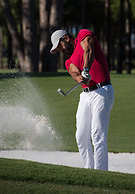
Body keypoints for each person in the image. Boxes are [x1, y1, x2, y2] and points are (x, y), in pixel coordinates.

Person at [50, 29, 114, 171]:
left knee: (97, 133)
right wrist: (79, 77)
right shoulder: (68, 61)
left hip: (102, 91)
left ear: (65, 38)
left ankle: (100, 172)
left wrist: (86, 69)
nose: (60, 50)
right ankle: (88, 169)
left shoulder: (83, 35)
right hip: (85, 95)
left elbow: (88, 50)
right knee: (81, 136)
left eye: (59, 46)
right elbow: (73, 71)